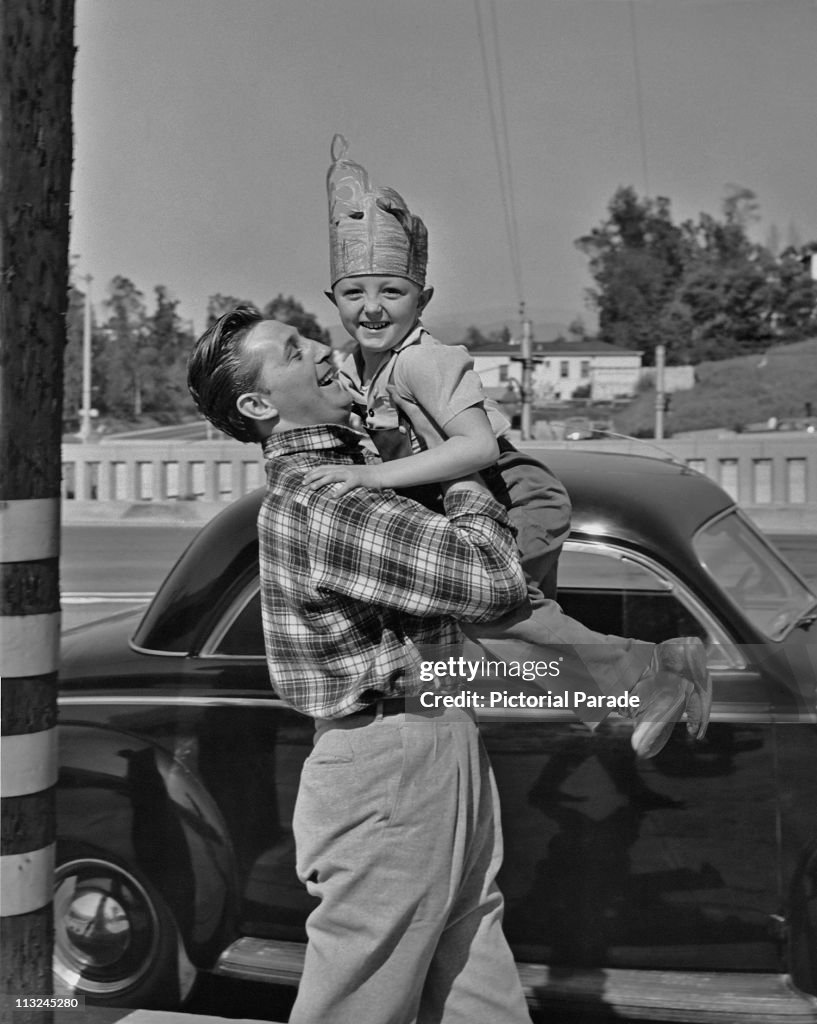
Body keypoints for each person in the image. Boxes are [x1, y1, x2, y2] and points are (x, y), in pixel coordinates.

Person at [304, 135, 711, 756]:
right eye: (355, 293)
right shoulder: (360, 367)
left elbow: (476, 450)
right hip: (489, 507)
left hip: (514, 495)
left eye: (392, 292)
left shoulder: (422, 361)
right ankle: (627, 697)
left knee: (495, 614)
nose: (373, 308)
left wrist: (370, 479)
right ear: (332, 299)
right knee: (499, 635)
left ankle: (661, 670)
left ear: (423, 300)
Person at [188, 310, 537, 1023]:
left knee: (475, 984)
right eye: (294, 352)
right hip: (389, 757)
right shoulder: (325, 495)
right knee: (358, 1001)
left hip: (428, 734)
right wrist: (467, 469)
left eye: (310, 337)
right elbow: (492, 579)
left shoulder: (362, 472)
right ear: (257, 405)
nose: (324, 349)